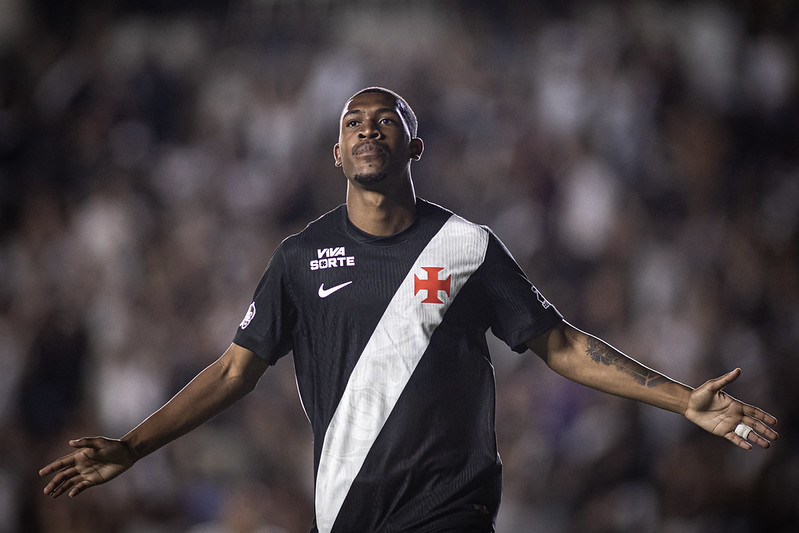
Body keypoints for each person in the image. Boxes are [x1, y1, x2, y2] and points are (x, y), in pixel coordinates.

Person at [40, 87, 779, 532]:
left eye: (384, 118)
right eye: (353, 121)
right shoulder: (298, 258)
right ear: (335, 153)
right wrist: (132, 446)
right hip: (346, 510)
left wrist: (686, 401)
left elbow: (560, 345)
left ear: (412, 142)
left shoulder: (465, 246)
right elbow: (235, 370)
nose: (367, 126)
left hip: (448, 508)